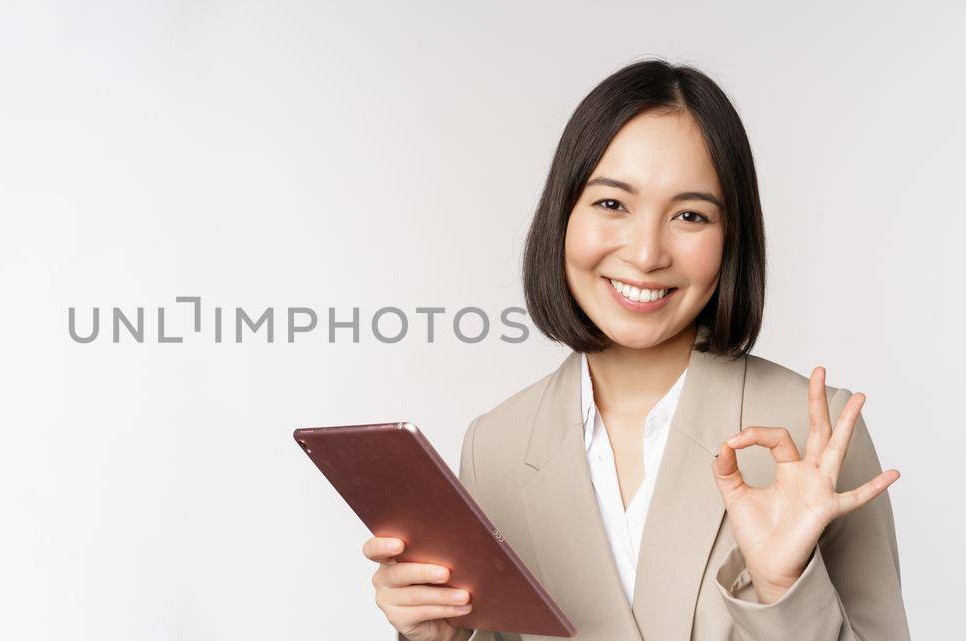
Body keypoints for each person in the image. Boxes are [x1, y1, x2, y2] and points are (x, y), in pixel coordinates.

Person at [362, 59, 910, 641]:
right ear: (563, 216)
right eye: (612, 205)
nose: (647, 253)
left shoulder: (813, 432)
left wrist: (781, 591)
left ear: (732, 239)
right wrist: (434, 637)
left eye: (690, 215)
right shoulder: (494, 444)